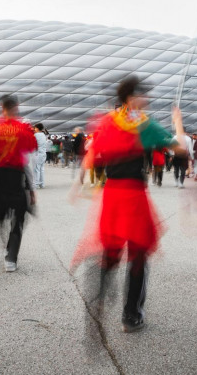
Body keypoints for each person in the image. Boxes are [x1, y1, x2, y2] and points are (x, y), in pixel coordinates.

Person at [77, 75, 187, 333]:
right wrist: (178, 124)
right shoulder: (143, 123)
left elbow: (93, 155)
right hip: (134, 195)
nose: (146, 99)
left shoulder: (106, 121)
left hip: (112, 195)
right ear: (131, 98)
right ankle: (131, 315)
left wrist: (80, 184)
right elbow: (181, 149)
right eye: (143, 94)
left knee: (111, 250)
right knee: (138, 253)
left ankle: (100, 298)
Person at [0, 95, 37, 273]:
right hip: (17, 178)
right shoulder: (24, 131)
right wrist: (32, 188)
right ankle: (11, 257)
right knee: (19, 219)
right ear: (16, 109)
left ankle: (2, 246)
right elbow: (29, 162)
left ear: (2, 109)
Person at [33, 123, 48, 189]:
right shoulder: (43, 135)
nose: (34, 129)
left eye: (35, 128)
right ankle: (42, 184)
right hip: (43, 153)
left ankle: (36, 184)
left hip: (38, 153)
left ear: (37, 128)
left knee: (36, 169)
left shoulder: (36, 135)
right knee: (41, 169)